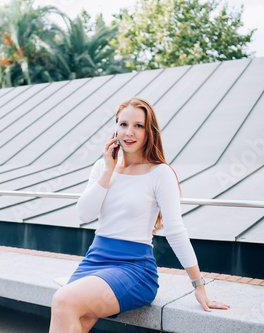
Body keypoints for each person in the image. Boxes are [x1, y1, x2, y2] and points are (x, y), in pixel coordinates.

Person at [49, 97, 229, 332]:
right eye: (123, 124)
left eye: (138, 126)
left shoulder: (160, 173)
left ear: (149, 131)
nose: (129, 132)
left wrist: (198, 284)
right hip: (95, 260)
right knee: (73, 319)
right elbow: (84, 214)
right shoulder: (102, 166)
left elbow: (175, 231)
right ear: (115, 127)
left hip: (134, 270)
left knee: (63, 300)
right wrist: (108, 170)